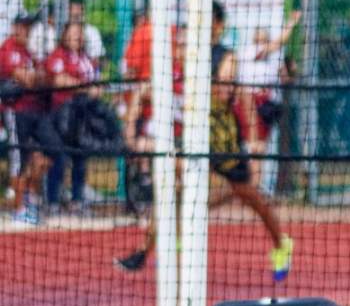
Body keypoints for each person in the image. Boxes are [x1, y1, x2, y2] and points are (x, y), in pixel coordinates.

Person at [116, 43, 295, 281]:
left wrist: (254, 143)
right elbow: (141, 92)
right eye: (225, 77)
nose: (228, 84)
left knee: (251, 198)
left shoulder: (224, 80)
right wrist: (131, 132)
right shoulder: (175, 80)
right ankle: (145, 250)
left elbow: (247, 103)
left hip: (228, 151)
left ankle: (281, 244)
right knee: (172, 189)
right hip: (197, 147)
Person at [2, 13, 60, 226]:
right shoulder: (8, 49)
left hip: (37, 112)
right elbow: (27, 79)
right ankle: (19, 209)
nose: (26, 30)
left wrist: (38, 76)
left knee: (52, 150)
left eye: (28, 27)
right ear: (15, 27)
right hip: (16, 112)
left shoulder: (29, 51)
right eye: (23, 26)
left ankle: (29, 199)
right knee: (19, 160)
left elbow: (45, 78)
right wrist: (36, 77)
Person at [236, 7, 303, 193]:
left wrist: (292, 70)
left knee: (260, 148)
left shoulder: (271, 59)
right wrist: (291, 24)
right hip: (250, 102)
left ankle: (255, 188)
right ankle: (253, 188)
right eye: (260, 37)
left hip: (266, 105)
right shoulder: (249, 52)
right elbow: (278, 43)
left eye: (265, 37)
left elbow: (286, 77)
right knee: (254, 147)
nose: (263, 40)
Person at [44, 21, 99, 211]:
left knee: (80, 157)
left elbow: (94, 80)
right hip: (62, 114)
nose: (77, 36)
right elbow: (59, 80)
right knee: (59, 157)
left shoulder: (85, 58)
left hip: (82, 114)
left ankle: (77, 199)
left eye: (79, 33)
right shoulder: (59, 55)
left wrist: (95, 90)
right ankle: (52, 200)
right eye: (73, 32)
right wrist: (86, 88)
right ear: (65, 35)